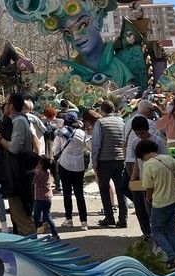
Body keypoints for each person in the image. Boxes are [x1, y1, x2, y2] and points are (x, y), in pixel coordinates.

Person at [0, 94, 38, 236]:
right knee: (18, 216)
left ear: (11, 106)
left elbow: (14, 148)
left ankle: (31, 246)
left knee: (22, 217)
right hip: (15, 173)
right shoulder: (16, 120)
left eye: (6, 103)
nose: (4, 106)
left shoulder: (19, 121)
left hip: (18, 175)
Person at [137, 139, 175, 269]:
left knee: (156, 230)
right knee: (171, 230)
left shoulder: (148, 165)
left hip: (160, 202)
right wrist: (170, 176)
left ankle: (171, 257)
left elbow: (148, 187)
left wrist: (149, 198)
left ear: (143, 153)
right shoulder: (167, 158)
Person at [127, 115, 168, 239]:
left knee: (156, 210)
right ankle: (149, 233)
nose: (141, 136)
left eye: (142, 132)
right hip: (143, 181)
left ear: (147, 129)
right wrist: (133, 178)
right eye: (137, 133)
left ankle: (161, 234)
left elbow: (165, 160)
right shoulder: (135, 142)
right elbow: (136, 162)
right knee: (144, 208)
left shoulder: (158, 141)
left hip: (158, 182)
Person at [91, 100, 127, 228]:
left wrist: (94, 162)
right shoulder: (121, 122)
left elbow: (96, 144)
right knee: (121, 190)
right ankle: (123, 219)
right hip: (120, 159)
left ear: (102, 110)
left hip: (105, 160)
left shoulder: (100, 123)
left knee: (104, 189)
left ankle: (109, 217)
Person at [53, 112, 89, 230]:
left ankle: (69, 219)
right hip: (79, 165)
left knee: (67, 193)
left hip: (65, 164)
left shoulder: (60, 132)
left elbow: (55, 150)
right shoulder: (81, 133)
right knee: (79, 193)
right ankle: (84, 222)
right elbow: (85, 145)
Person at [33, 156, 59, 239]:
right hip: (48, 198)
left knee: (36, 218)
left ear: (41, 165)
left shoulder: (39, 173)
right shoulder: (47, 171)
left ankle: (33, 235)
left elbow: (33, 182)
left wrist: (34, 171)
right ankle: (55, 234)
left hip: (39, 199)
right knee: (48, 217)